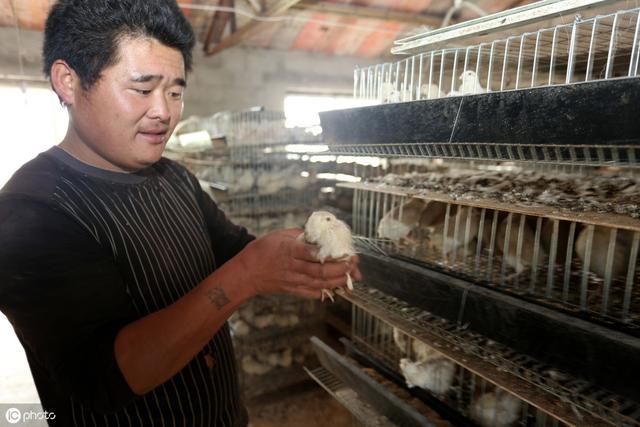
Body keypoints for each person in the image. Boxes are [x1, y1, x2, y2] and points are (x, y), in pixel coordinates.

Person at [0, 0, 361, 425]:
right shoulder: (31, 214)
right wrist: (246, 275)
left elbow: (234, 249)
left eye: (175, 91)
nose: (164, 112)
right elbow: (103, 378)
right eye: (142, 88)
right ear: (69, 82)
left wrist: (298, 257)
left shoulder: (175, 178)